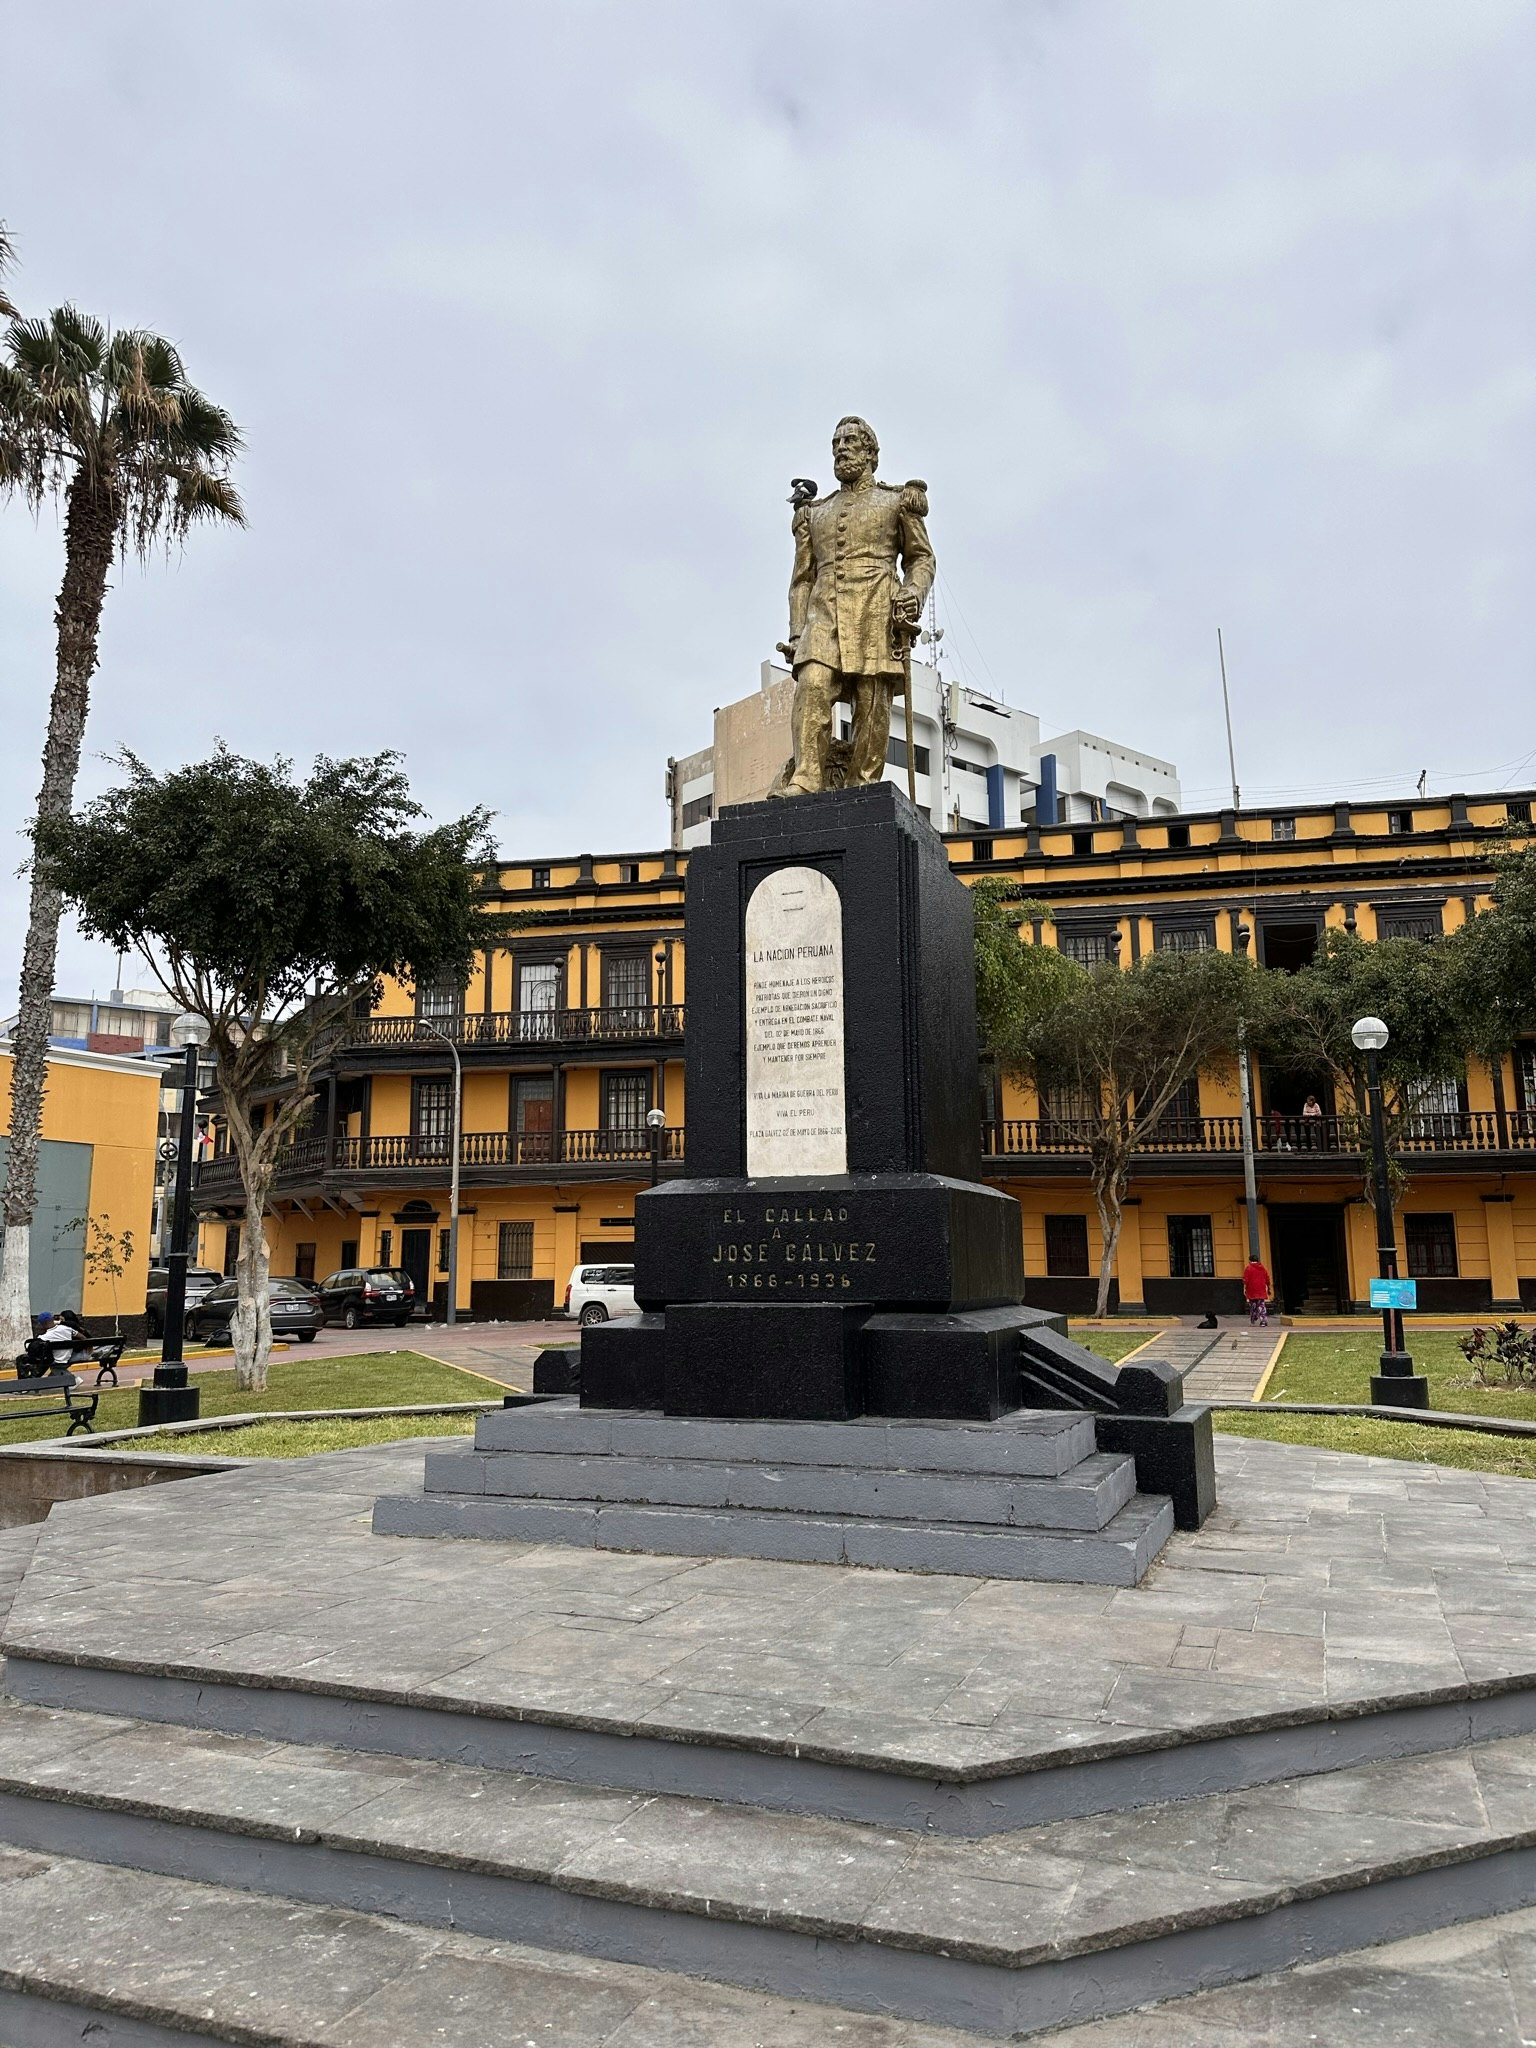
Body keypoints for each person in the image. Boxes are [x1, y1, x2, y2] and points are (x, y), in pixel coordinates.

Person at [774, 416, 936, 796]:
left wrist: (913, 592)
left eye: (850, 441)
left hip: (876, 608)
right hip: (824, 614)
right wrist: (797, 632)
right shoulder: (814, 513)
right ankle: (807, 776)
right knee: (812, 685)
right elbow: (801, 579)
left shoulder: (896, 501)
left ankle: (862, 783)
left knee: (872, 701)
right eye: (836, 443)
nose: (841, 448)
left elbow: (921, 559)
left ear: (870, 453)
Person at [1242, 1257, 1272, 1326]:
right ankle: (1263, 1320)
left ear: (1250, 1260)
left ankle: (1253, 1318)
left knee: (1253, 1305)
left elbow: (1245, 1280)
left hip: (1251, 1290)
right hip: (1261, 1289)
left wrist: (1244, 1288)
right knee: (1261, 1305)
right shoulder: (1262, 1268)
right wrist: (1268, 1286)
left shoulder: (1248, 1268)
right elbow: (1267, 1278)